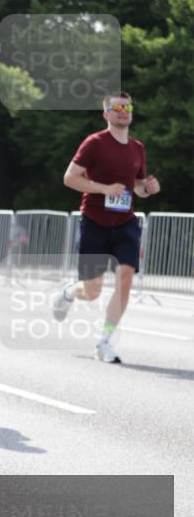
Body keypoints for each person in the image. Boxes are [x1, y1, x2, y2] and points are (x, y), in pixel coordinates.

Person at [52, 92, 160, 363]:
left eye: (128, 106)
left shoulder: (137, 148)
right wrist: (104, 189)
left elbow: (136, 186)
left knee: (125, 279)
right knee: (92, 291)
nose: (123, 111)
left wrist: (148, 189)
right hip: (95, 222)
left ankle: (105, 341)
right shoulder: (95, 143)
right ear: (106, 113)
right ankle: (68, 293)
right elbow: (70, 178)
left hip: (125, 222)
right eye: (117, 107)